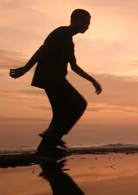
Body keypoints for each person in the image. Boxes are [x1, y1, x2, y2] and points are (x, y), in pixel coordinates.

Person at [9, 9, 102, 156]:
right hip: (50, 76)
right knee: (79, 104)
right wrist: (25, 69)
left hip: (55, 77)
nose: (87, 26)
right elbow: (42, 50)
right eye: (85, 22)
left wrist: (92, 80)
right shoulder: (61, 33)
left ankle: (46, 147)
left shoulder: (69, 41)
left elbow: (74, 66)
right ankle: (52, 138)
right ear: (74, 20)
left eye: (88, 23)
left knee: (60, 113)